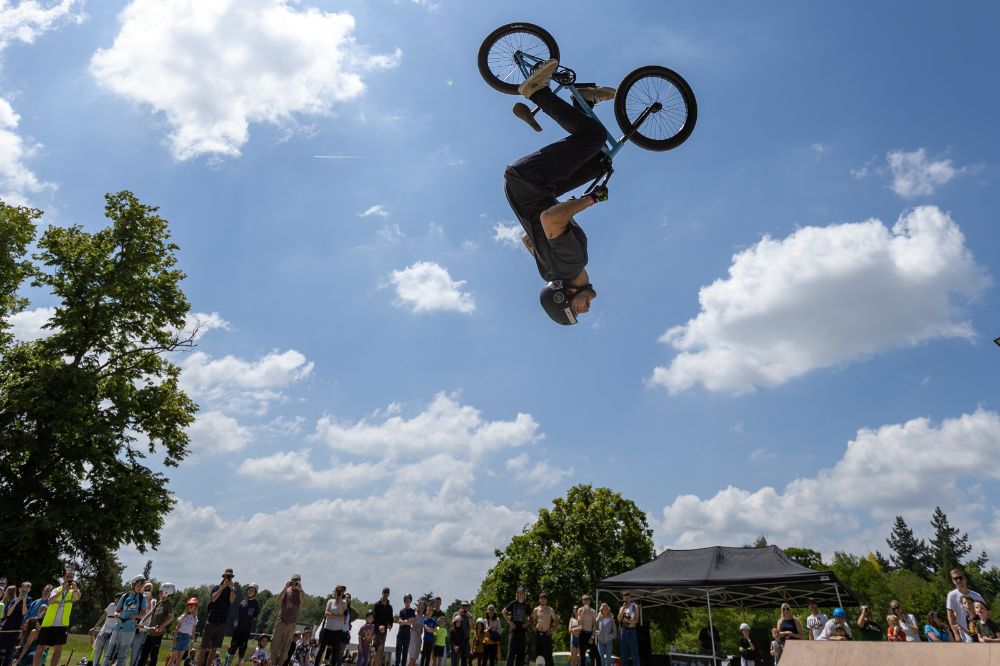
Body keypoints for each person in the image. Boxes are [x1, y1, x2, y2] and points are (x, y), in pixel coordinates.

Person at [502, 59, 614, 326]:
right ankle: (583, 100)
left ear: (564, 297)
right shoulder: (550, 272)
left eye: (576, 311)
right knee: (599, 161)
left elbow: (550, 220)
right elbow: (527, 240)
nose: (585, 310)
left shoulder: (571, 264)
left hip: (531, 181)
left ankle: (537, 92)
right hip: (530, 188)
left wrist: (592, 199)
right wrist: (540, 242)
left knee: (593, 137)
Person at [34, 569, 81, 666]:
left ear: (73, 579)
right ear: (64, 578)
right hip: (48, 623)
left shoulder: (74, 591)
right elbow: (50, 600)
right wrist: (63, 589)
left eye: (71, 577)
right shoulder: (56, 589)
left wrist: (75, 589)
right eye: (67, 577)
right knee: (40, 648)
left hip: (62, 624)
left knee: (58, 648)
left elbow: (77, 597)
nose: (69, 579)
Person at [200, 569, 237, 666]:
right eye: (227, 576)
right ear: (223, 577)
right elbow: (213, 598)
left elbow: (232, 601)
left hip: (222, 623)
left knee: (214, 649)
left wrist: (231, 588)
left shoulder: (232, 590)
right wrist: (222, 587)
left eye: (230, 577)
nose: (228, 578)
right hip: (211, 621)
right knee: (203, 647)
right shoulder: (216, 587)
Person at [271, 575, 307, 666]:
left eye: (298, 580)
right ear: (291, 580)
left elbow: (303, 602)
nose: (296, 582)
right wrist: (286, 587)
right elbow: (279, 599)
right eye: (294, 580)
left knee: (285, 649)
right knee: (274, 645)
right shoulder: (287, 589)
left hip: (291, 623)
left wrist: (300, 589)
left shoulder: (300, 592)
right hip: (281, 621)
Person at [137, 583, 175, 666]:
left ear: (166, 593)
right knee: (144, 654)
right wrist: (141, 622)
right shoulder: (159, 603)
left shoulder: (168, 604)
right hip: (150, 632)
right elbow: (150, 613)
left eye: (161, 592)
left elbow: (171, 617)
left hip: (157, 634)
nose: (159, 594)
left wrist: (162, 626)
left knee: (153, 655)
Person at [226, 583, 261, 666]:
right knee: (233, 647)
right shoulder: (243, 601)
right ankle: (228, 664)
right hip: (237, 628)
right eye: (249, 589)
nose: (250, 591)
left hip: (246, 630)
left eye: (252, 590)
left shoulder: (255, 604)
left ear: (255, 592)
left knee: (242, 648)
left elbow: (255, 617)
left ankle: (239, 664)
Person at [946, 568, 984, 643]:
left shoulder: (976, 595)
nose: (958, 580)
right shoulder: (952, 595)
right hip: (965, 636)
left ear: (965, 579)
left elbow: (986, 612)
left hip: (981, 635)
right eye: (955, 579)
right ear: (953, 581)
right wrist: (956, 634)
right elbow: (950, 616)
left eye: (960, 577)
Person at [1, 583, 30, 666]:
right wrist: (17, 601)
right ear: (20, 589)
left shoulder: (28, 600)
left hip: (16, 630)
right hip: (6, 629)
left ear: (29, 590)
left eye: (26, 589)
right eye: (23, 589)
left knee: (9, 652)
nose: (24, 591)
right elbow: (8, 614)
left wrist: (24, 600)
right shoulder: (13, 600)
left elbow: (24, 612)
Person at [317, 586, 347, 666]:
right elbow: (326, 613)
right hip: (327, 629)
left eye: (340, 592)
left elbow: (342, 614)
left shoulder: (344, 603)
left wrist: (340, 602)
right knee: (321, 649)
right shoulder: (330, 601)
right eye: (337, 592)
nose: (338, 594)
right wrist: (337, 617)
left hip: (337, 632)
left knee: (335, 652)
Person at [166, 598, 199, 666]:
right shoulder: (183, 616)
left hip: (186, 638)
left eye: (193, 605)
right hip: (179, 637)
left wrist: (192, 640)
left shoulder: (194, 619)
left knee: (179, 657)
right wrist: (174, 638)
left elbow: (193, 630)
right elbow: (177, 628)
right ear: (187, 606)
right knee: (173, 657)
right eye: (190, 605)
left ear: (195, 608)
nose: (191, 606)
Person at [530, 593, 557, 666]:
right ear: (539, 600)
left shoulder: (550, 609)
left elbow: (557, 621)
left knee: (548, 656)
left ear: (546, 600)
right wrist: (533, 627)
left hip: (546, 635)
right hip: (538, 634)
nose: (542, 600)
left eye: (544, 598)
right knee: (538, 655)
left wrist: (552, 631)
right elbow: (531, 620)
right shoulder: (536, 609)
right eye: (541, 598)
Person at [372, 588, 394, 666]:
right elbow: (373, 619)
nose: (386, 594)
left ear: (389, 594)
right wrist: (379, 626)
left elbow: (391, 620)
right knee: (378, 649)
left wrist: (390, 625)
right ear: (382, 593)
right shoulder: (376, 605)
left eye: (387, 592)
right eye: (384, 592)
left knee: (380, 652)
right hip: (376, 631)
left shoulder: (390, 607)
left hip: (384, 632)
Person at [616, 593, 639, 666]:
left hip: (632, 631)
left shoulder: (634, 607)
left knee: (634, 652)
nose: (626, 600)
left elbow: (636, 620)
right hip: (624, 631)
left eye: (627, 598)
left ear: (630, 598)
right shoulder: (621, 608)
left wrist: (627, 621)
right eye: (624, 598)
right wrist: (623, 609)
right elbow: (619, 619)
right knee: (623, 653)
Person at [575, 596, 598, 666]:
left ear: (589, 601)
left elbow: (595, 625)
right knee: (582, 654)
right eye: (584, 600)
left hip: (590, 634)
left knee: (594, 654)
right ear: (582, 601)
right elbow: (579, 623)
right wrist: (583, 613)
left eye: (587, 600)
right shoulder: (580, 610)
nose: (586, 601)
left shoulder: (593, 611)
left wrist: (592, 636)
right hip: (582, 633)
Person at [396, 594, 416, 666]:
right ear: (404, 601)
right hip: (400, 634)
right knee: (398, 655)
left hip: (407, 635)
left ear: (410, 601)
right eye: (406, 600)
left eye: (409, 599)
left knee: (404, 655)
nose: (407, 601)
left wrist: (404, 621)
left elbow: (412, 622)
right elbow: (400, 623)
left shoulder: (412, 611)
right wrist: (407, 621)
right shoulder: (401, 611)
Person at [451, 602, 472, 666]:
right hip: (456, 639)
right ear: (461, 606)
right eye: (463, 605)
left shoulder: (469, 615)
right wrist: (459, 615)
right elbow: (452, 624)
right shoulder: (456, 613)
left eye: (466, 606)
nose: (464, 607)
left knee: (464, 658)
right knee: (455, 658)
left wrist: (469, 617)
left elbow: (471, 626)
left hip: (465, 639)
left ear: (467, 607)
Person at [407, 601, 427, 666]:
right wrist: (416, 630)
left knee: (415, 659)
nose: (422, 606)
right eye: (421, 605)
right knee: (412, 658)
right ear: (419, 606)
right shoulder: (414, 614)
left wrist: (420, 632)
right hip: (413, 638)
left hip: (419, 638)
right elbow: (410, 625)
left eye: (424, 605)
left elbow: (422, 629)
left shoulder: (424, 617)